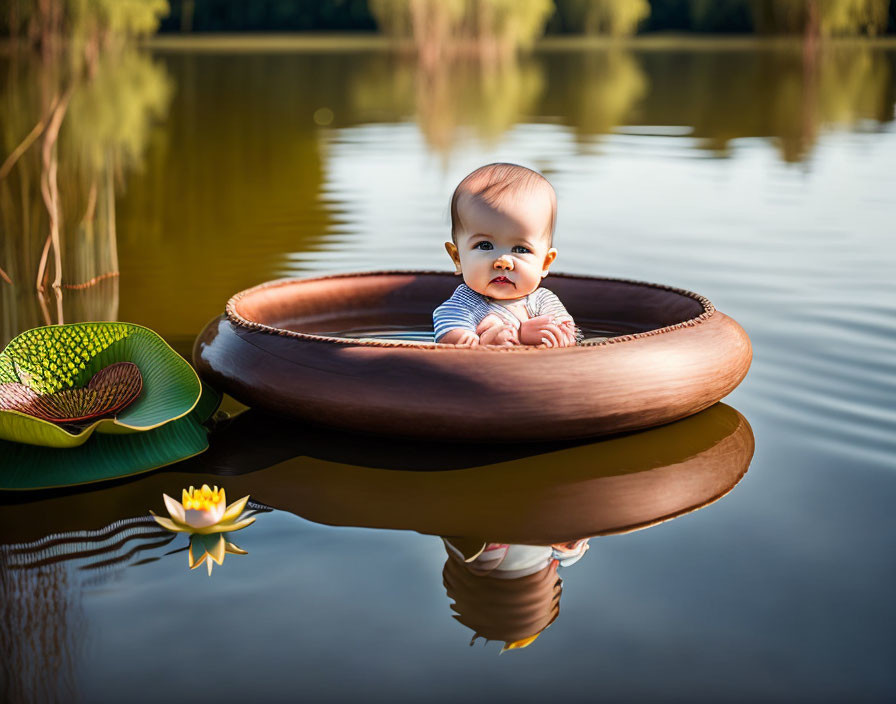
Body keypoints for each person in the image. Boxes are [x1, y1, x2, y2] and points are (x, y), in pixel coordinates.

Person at [433, 163, 578, 347]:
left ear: (545, 263)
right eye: (484, 245)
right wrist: (487, 341)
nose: (503, 262)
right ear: (458, 258)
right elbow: (450, 341)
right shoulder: (464, 303)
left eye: (520, 249)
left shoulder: (543, 301)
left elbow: (570, 334)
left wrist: (562, 336)